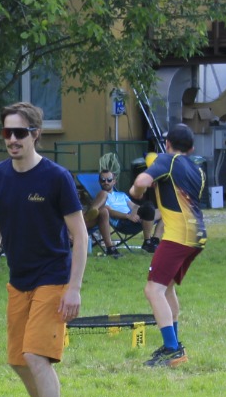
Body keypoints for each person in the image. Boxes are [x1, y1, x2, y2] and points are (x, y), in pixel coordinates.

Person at [0, 101, 88, 397]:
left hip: (52, 278)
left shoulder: (56, 178)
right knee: (17, 360)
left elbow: (80, 236)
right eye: (6, 133)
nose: (12, 139)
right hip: (18, 280)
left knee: (36, 355)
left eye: (19, 133)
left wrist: (74, 287)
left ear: (36, 134)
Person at [129, 124, 207, 368]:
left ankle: (172, 350)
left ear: (168, 144)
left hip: (177, 236)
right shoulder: (198, 170)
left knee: (153, 290)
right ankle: (174, 345)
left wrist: (136, 192)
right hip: (197, 235)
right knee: (167, 288)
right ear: (192, 148)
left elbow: (142, 179)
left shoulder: (167, 159)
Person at [87, 168, 153, 256]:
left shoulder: (122, 195)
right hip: (122, 222)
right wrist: (127, 216)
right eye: (103, 180)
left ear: (114, 181)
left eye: (109, 180)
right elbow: (110, 212)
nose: (106, 182)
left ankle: (150, 241)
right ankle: (148, 242)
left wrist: (133, 214)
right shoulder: (101, 198)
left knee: (152, 208)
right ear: (99, 182)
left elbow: (134, 206)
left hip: (133, 218)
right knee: (149, 209)